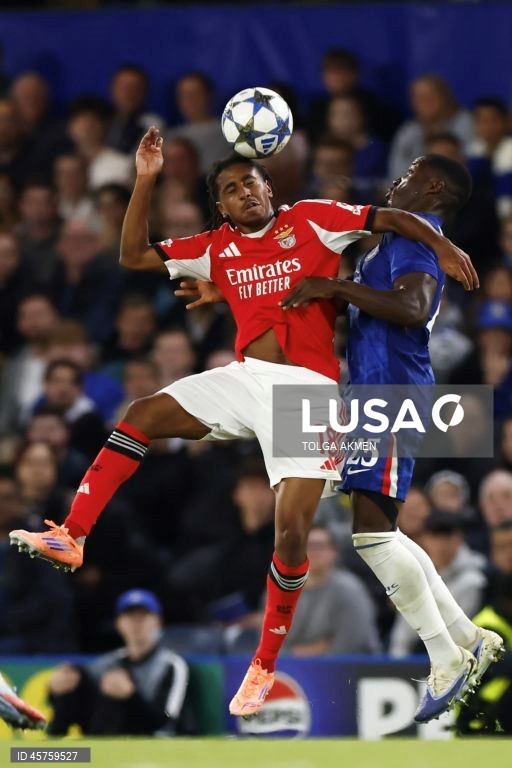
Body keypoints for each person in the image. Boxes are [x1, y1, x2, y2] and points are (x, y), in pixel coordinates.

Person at [10, 127, 477, 718]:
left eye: (251, 182)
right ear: (222, 206)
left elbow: (390, 217)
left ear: (269, 189)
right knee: (141, 414)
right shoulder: (218, 248)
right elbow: (131, 255)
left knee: (291, 534)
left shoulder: (312, 219)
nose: (244, 192)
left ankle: (263, 665)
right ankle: (72, 535)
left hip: (310, 392)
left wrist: (442, 247)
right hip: (245, 377)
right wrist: (147, 178)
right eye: (230, 189)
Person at [279, 153, 503, 721]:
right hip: (378, 391)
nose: (394, 179)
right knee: (381, 532)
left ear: (430, 188)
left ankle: (446, 655)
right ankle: (467, 637)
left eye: (404, 175)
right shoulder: (396, 241)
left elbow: (413, 305)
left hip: (393, 391)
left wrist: (334, 286)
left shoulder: (415, 240)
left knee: (373, 537)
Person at [47, 589, 190, 736]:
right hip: (106, 733)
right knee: (72, 680)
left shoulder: (171, 664)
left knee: (113, 694)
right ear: (119, 623)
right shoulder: (108, 662)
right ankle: (52, 750)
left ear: (158, 621)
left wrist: (130, 696)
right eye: (130, 616)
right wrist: (55, 690)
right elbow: (83, 699)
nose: (136, 624)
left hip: (152, 738)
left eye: (143, 616)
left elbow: (167, 719)